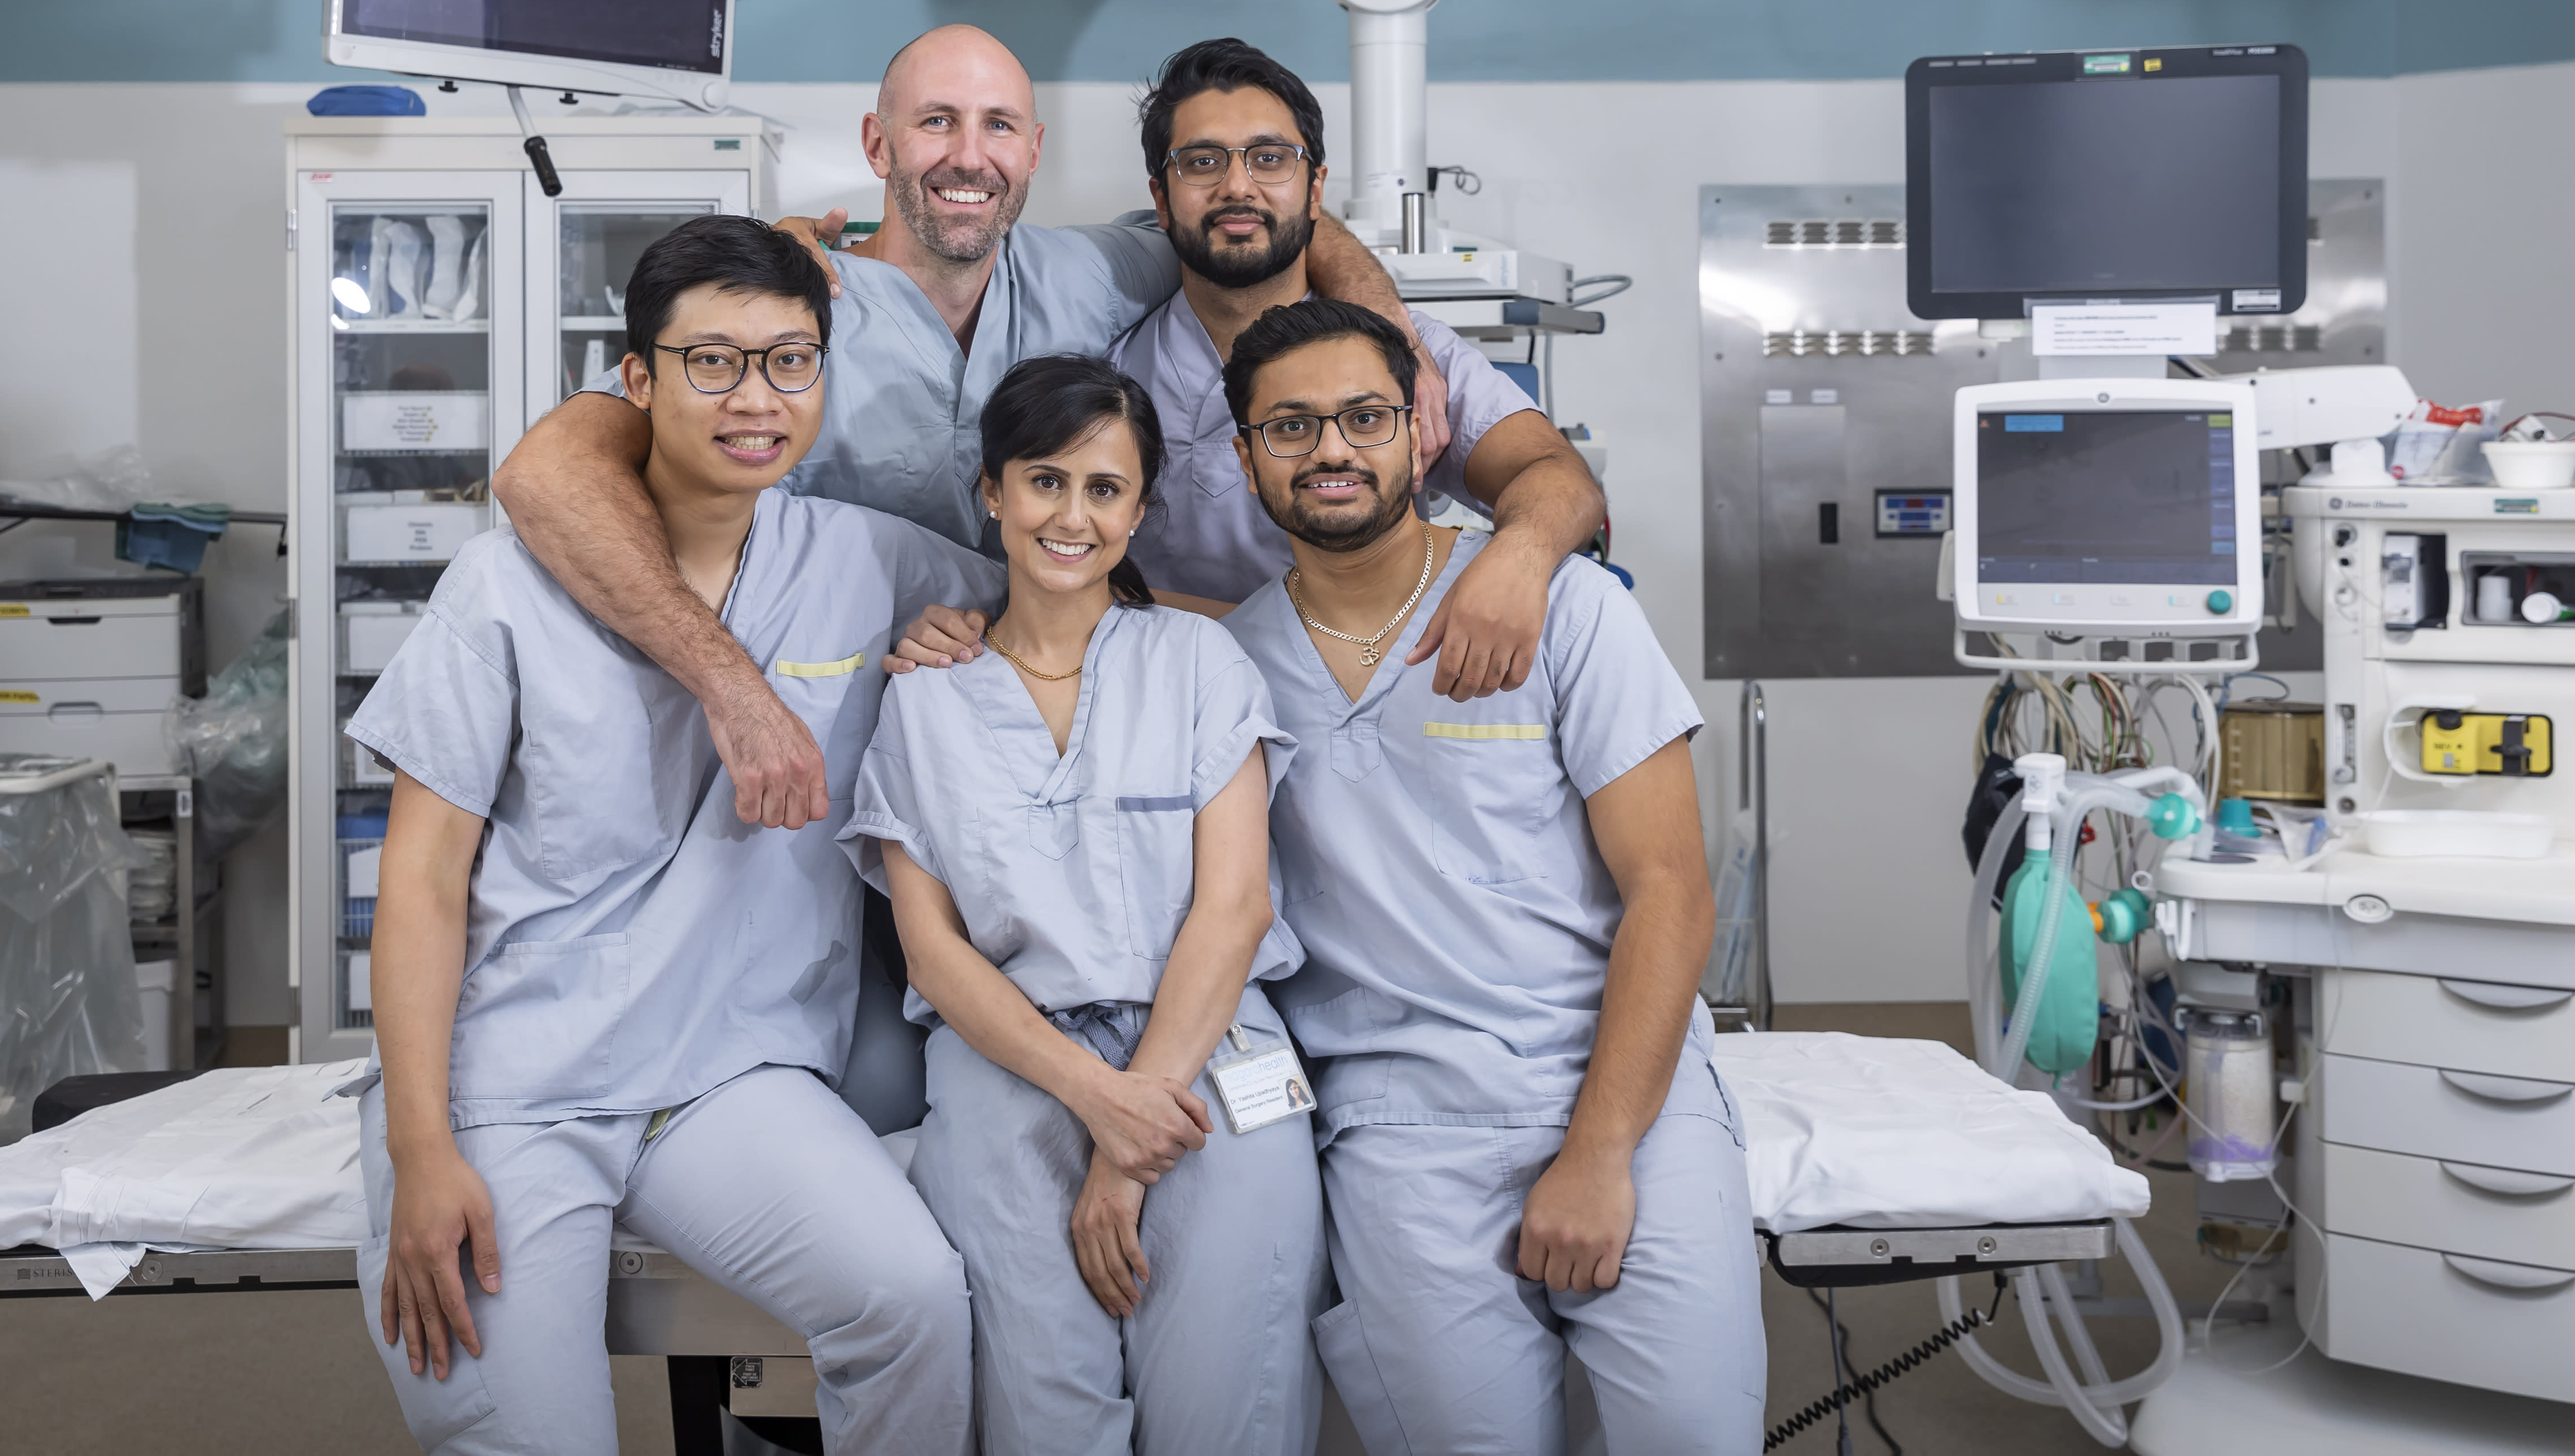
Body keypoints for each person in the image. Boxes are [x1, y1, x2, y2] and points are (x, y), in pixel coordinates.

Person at [346, 216, 1007, 1456]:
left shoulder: (869, 562)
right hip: (517, 1083)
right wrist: (421, 1146)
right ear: (636, 380)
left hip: (730, 1070)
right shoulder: (500, 588)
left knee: (913, 1300)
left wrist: (966, 641)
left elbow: (1064, 596)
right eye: (711, 361)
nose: (755, 397)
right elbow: (424, 879)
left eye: (789, 360)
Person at [491, 22, 1446, 832]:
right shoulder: (792, 308)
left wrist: (1387, 324)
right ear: (877, 144)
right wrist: (732, 692)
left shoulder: (1090, 272)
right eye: (935, 122)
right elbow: (550, 470)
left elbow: (1247, 211)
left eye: (996, 126)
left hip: (1022, 734)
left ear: (1032, 151)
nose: (967, 154)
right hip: (814, 734)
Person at [1214, 301, 1763, 1456]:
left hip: (1621, 1091)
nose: (1330, 450)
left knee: (1691, 1435)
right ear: (1242, 455)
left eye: (1363, 417)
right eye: (1291, 427)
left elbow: (1672, 887)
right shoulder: (1228, 672)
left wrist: (1600, 1149)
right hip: (1397, 1126)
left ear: (1421, 433)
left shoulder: (1566, 612)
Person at [841, 355, 1325, 1456]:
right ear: (992, 491)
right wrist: (1091, 1099)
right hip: (1009, 1067)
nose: (1072, 515)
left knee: (1226, 1410)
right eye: (1045, 481)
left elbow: (1234, 907)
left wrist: (1126, 1133)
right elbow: (933, 953)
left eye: (1104, 489)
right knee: (1041, 1413)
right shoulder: (923, 696)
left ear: (1140, 509)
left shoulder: (1199, 661)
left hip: (1208, 1054)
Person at [1109, 39, 1604, 702]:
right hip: (1176, 703)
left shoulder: (1406, 356)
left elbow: (1558, 477)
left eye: (1269, 158)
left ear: (1315, 189)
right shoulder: (1111, 369)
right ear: (1161, 200)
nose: (1237, 185)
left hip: (1372, 690)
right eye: (1201, 162)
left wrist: (1519, 557)